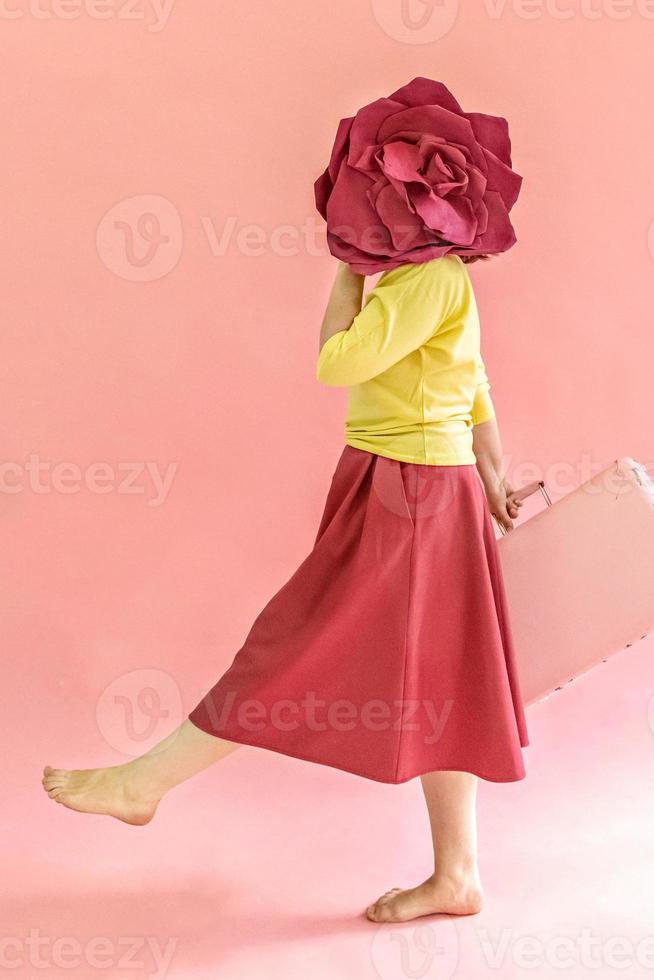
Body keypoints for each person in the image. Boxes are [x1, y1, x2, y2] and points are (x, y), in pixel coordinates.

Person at [42, 251, 529, 924]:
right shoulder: (433, 278)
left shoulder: (427, 277)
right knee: (440, 683)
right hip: (413, 484)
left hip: (412, 489)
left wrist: (349, 273)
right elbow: (470, 378)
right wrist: (494, 475)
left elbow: (339, 361)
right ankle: (458, 875)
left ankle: (142, 782)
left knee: (292, 648)